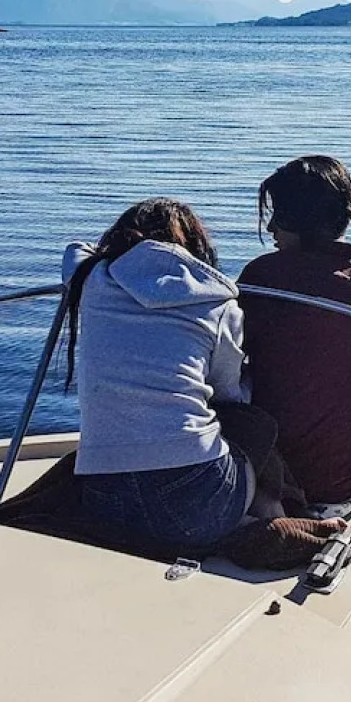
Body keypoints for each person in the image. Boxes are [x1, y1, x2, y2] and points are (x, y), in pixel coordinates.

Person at [63, 197, 253, 552]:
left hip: (104, 501)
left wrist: (121, 252)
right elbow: (230, 394)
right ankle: (270, 513)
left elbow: (74, 248)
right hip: (195, 498)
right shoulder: (220, 305)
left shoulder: (92, 280)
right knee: (254, 429)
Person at [238, 156, 351, 518]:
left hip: (272, 470)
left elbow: (223, 362)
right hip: (350, 479)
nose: (271, 228)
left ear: (301, 219)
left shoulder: (262, 280)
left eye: (279, 215)